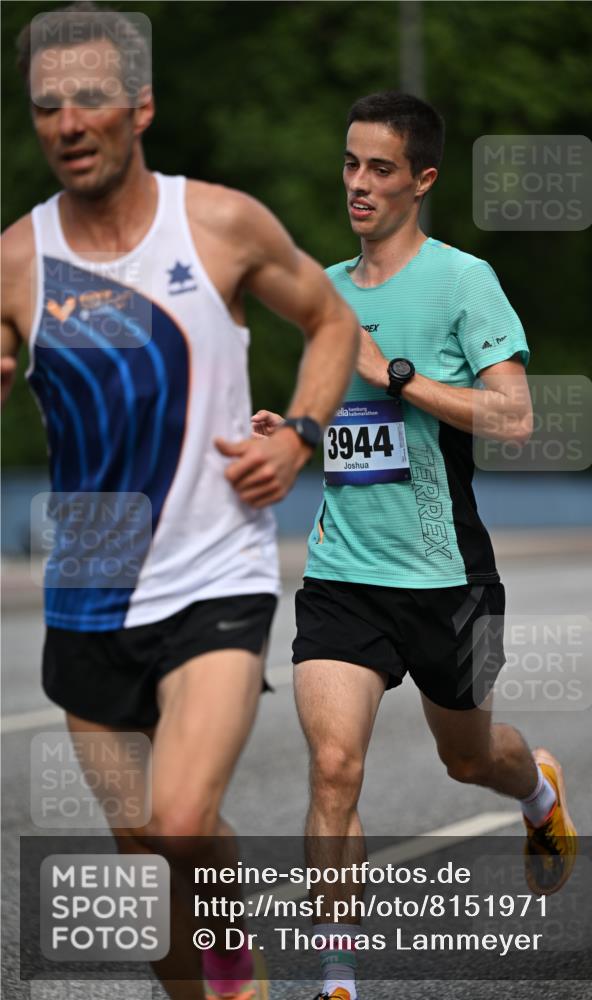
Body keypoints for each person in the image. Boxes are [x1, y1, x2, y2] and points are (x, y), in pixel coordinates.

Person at [0, 5, 358, 1000]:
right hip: (88, 593)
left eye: (91, 100)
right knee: (149, 862)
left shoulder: (217, 223)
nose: (68, 122)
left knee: (177, 817)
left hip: (215, 577)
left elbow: (331, 320)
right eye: (46, 105)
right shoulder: (14, 261)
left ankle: (234, 969)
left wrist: (300, 433)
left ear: (141, 107)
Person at [254, 91, 578, 1000]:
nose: (358, 184)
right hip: (341, 574)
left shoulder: (463, 280)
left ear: (421, 180)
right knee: (332, 766)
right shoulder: (320, 289)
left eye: (380, 169)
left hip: (445, 577)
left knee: (468, 758)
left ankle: (538, 793)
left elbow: (512, 416)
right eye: (350, 164)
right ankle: (336, 978)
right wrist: (287, 428)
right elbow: (330, 422)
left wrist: (394, 373)